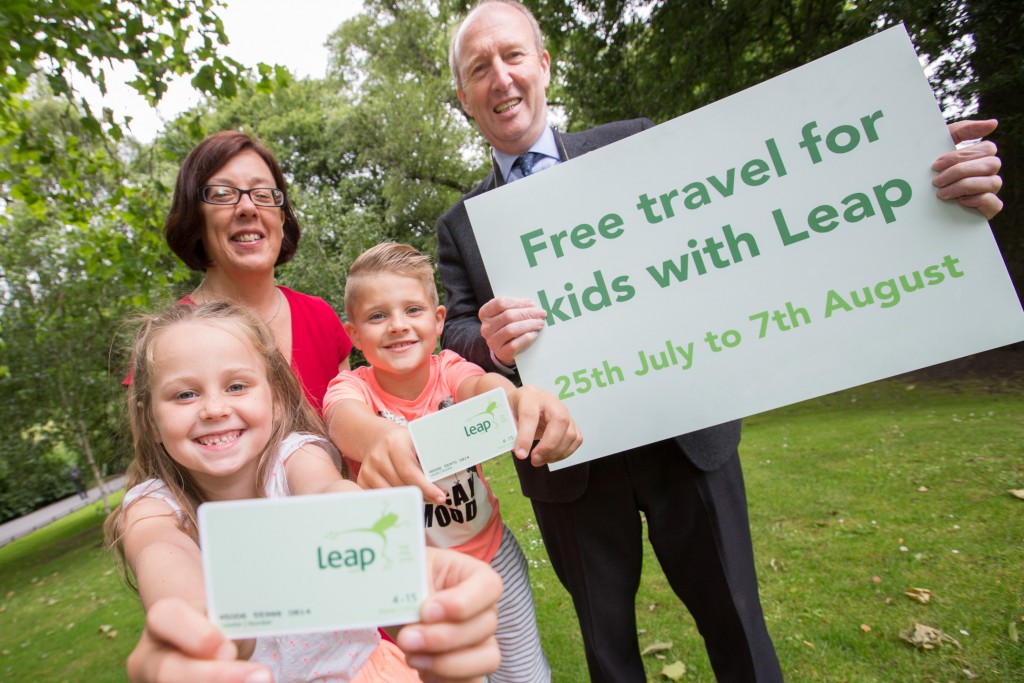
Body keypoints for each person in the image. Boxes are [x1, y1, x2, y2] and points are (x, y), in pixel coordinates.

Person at [427, 1, 1007, 681]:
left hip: (686, 437)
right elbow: (455, 331)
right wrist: (493, 345)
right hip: (570, 468)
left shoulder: (635, 144)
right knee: (608, 650)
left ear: (544, 65)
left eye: (513, 56)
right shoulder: (458, 224)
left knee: (737, 624)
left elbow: (761, 217)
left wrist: (912, 164)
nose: (501, 77)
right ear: (465, 97)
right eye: (479, 68)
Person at [105, 301, 503, 683]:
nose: (213, 409)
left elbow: (330, 492)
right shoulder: (151, 506)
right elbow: (160, 551)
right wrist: (194, 628)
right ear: (151, 421)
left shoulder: (295, 457)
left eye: (237, 386)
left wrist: (395, 563)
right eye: (184, 395)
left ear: (276, 400)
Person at [323, 242, 583, 683]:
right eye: (377, 316)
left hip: (492, 556)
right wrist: (386, 439)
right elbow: (342, 421)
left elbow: (485, 390)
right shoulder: (351, 387)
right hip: (409, 580)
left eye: (412, 310)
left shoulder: (451, 369)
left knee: (524, 674)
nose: (398, 326)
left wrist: (520, 399)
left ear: (438, 320)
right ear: (353, 334)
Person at [164, 130, 352, 413]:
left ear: (280, 218)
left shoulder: (321, 320)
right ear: (195, 217)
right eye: (222, 194)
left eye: (263, 194)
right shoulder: (166, 340)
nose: (248, 208)